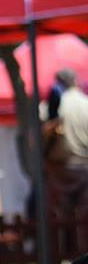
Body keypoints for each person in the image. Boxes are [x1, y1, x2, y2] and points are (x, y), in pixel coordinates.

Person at [42, 68, 88, 216]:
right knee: (83, 220)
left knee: (60, 221)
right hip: (84, 167)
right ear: (75, 82)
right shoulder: (85, 104)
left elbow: (37, 137)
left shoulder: (51, 106)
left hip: (59, 169)